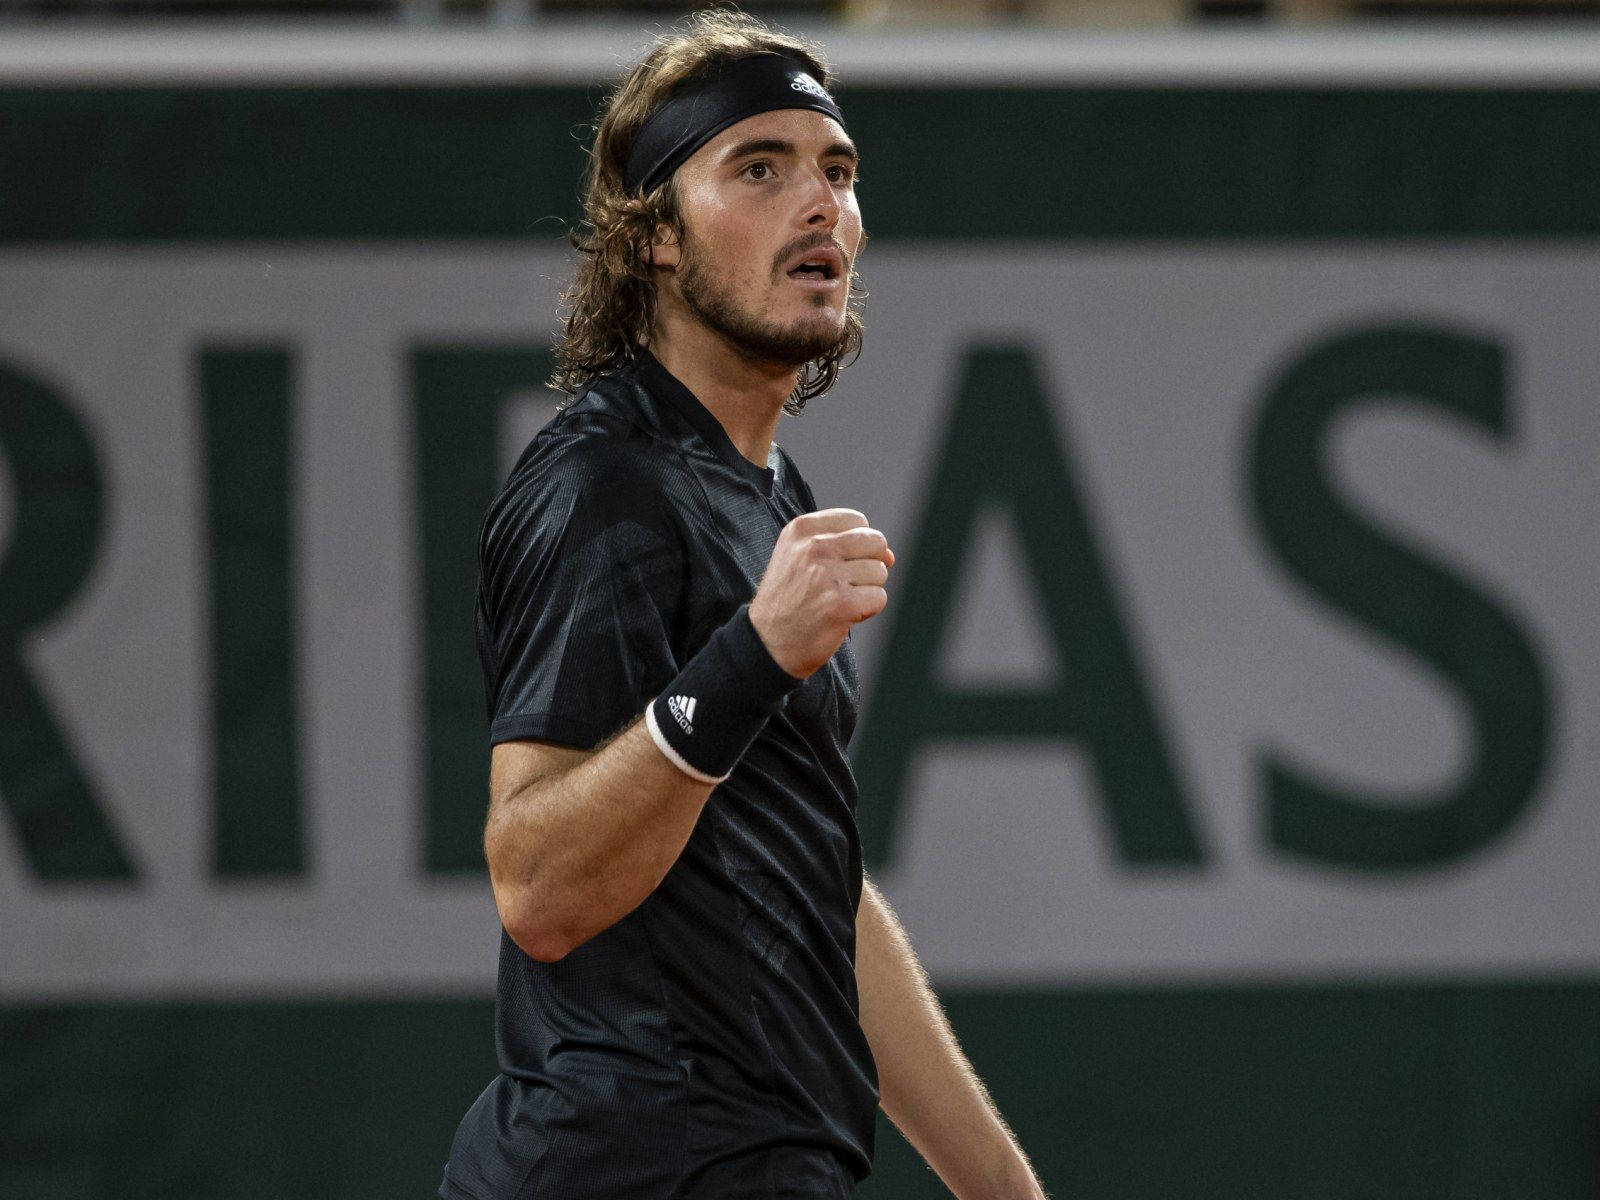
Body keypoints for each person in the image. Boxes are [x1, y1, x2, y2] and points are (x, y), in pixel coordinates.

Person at [440, 11, 1047, 1200]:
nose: (819, 204)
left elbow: (814, 887)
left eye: (836, 171)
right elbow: (538, 888)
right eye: (757, 169)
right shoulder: (603, 485)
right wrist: (750, 658)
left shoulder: (761, 491)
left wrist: (1002, 1190)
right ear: (653, 237)